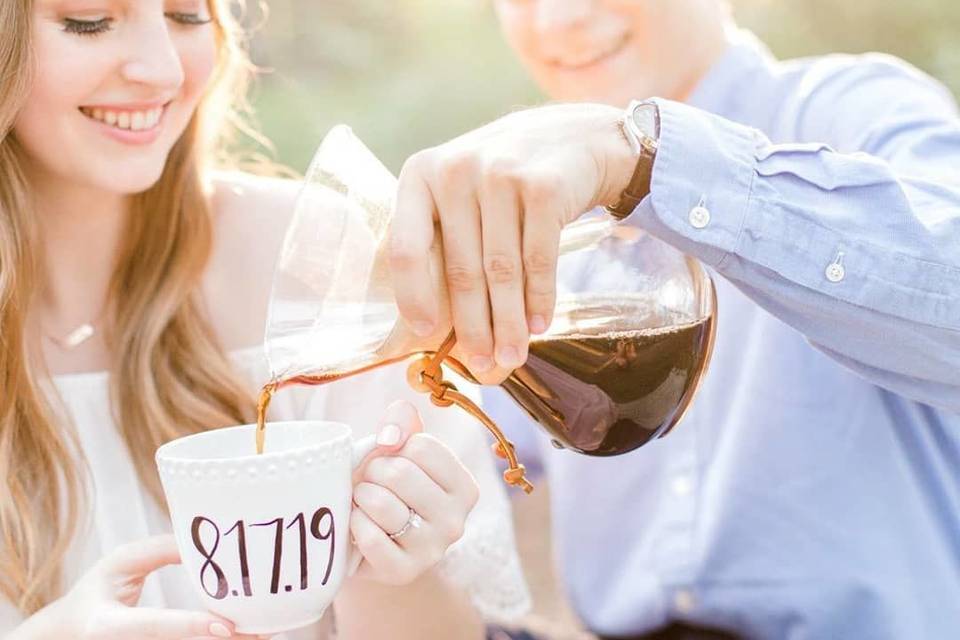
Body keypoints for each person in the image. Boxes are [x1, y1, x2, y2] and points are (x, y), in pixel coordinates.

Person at [388, 0, 960, 638]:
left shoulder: (857, 108)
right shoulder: (539, 208)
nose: (558, 20)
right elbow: (472, 457)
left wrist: (645, 161)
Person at [1, 0, 530, 638]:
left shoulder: (326, 262)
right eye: (90, 21)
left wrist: (392, 568)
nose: (164, 71)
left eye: (186, 15)